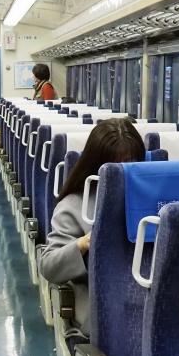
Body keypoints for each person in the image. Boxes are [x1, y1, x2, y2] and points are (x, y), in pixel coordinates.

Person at [38, 118, 145, 338]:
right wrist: (82, 244)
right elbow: (49, 266)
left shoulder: (152, 202)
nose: (121, 175)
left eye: (130, 164)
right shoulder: (75, 205)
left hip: (148, 305)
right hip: (101, 312)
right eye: (113, 168)